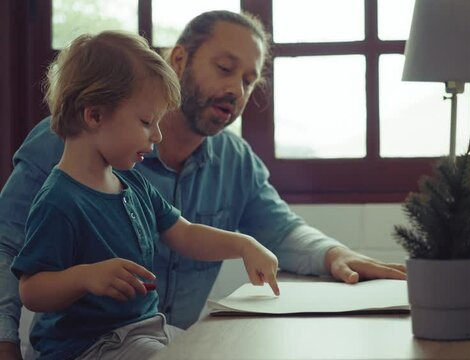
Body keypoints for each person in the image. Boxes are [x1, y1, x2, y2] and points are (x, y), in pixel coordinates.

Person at [0, 10, 406, 359]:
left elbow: (278, 227)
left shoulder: (230, 161)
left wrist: (334, 254)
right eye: (225, 68)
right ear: (179, 59)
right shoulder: (65, 146)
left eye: (249, 80)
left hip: (158, 335)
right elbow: (7, 247)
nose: (236, 90)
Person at [10, 30, 280, 360]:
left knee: (220, 347)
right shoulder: (59, 200)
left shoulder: (131, 182)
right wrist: (84, 277)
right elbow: (31, 289)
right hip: (89, 347)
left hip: (144, 328)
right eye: (146, 121)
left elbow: (185, 233)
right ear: (94, 115)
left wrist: (244, 245)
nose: (158, 134)